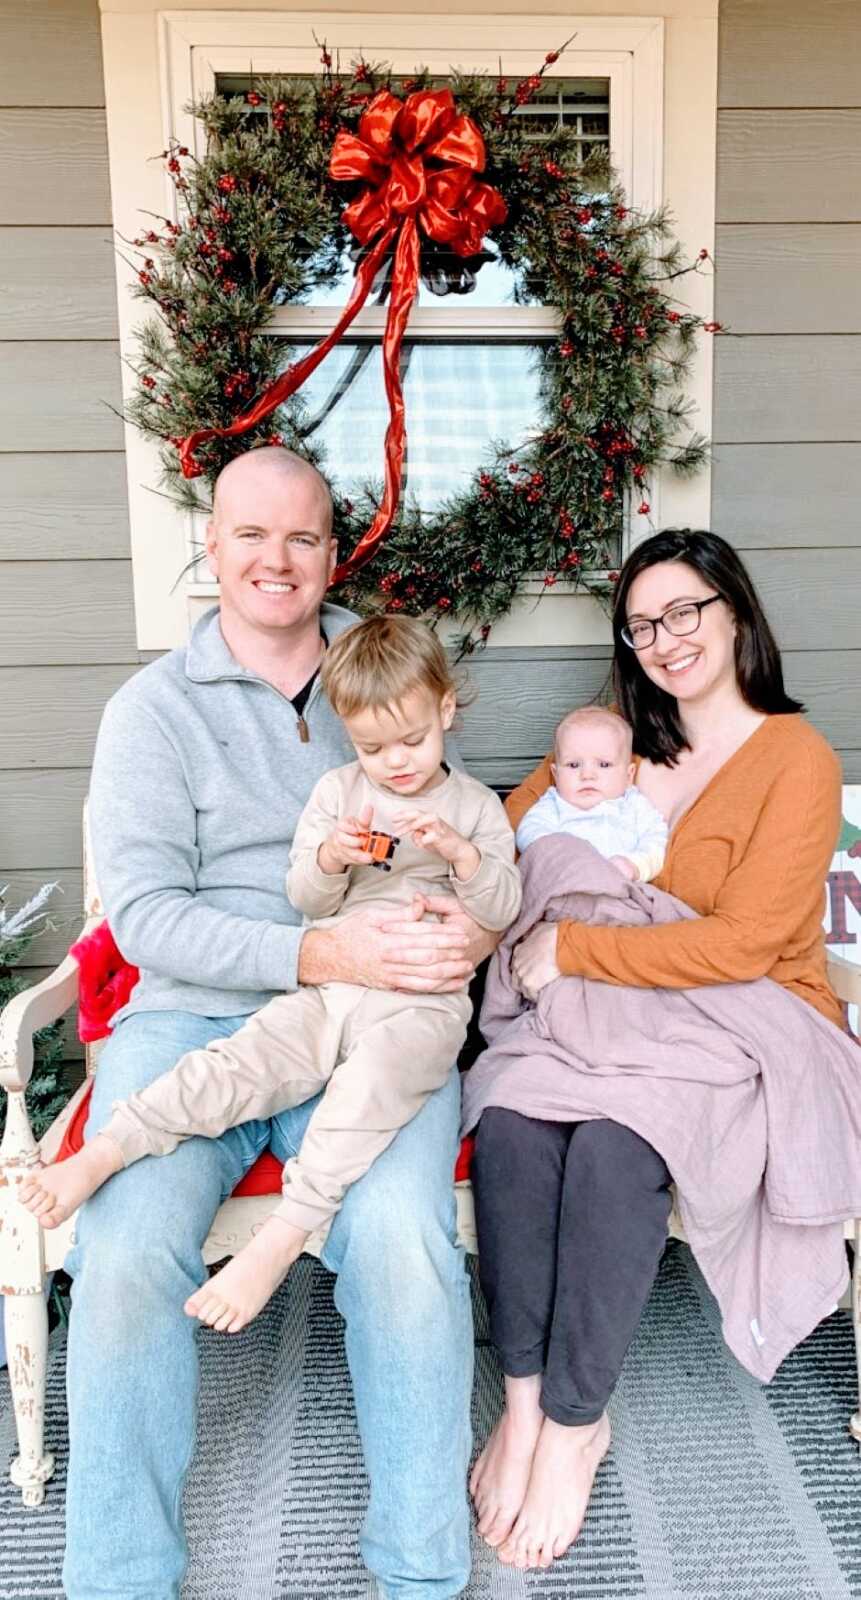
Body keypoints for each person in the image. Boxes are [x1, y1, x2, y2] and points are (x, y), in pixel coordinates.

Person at [56, 447, 496, 1600]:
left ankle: (419, 1576)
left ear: (332, 548)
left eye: (301, 536)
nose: (276, 559)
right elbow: (145, 917)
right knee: (123, 1252)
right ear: (212, 548)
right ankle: (118, 1579)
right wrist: (313, 947)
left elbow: (460, 843)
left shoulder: (381, 668)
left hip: (372, 1017)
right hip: (197, 1019)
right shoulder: (151, 710)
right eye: (250, 535)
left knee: (404, 1241)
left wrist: (464, 939)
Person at [467, 528, 843, 1574]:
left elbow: (748, 941)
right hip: (589, 1013)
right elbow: (508, 855)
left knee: (614, 1151)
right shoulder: (605, 742)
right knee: (510, 1124)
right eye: (642, 623)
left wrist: (575, 943)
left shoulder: (793, 758)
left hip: (743, 1016)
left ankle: (582, 1419)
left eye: (686, 611)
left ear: (735, 614)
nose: (665, 638)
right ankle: (528, 1401)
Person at [23, 617, 521, 1337]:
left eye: (411, 742)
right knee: (244, 1060)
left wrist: (463, 858)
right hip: (329, 990)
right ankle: (111, 1148)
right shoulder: (339, 794)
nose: (397, 763)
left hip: (419, 1006)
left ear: (445, 712)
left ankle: (284, 1234)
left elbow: (503, 904)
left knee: (367, 1089)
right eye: (372, 747)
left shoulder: (473, 807)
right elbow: (304, 901)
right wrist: (330, 860)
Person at [514, 705, 667, 881]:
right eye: (573, 765)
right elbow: (529, 832)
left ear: (628, 775)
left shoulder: (635, 805)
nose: (587, 775)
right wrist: (557, 856)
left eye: (603, 765)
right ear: (555, 774)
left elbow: (655, 839)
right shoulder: (553, 803)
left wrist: (634, 865)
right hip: (566, 885)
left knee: (659, 905)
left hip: (622, 889)